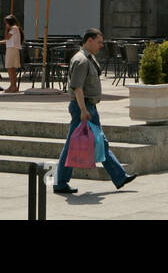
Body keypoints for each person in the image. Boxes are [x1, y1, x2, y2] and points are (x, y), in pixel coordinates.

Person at [53, 28, 137, 195]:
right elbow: (77, 87)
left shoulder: (88, 58)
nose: (101, 45)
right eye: (99, 42)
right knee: (75, 144)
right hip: (83, 107)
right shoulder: (81, 60)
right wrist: (83, 110)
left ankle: (119, 176)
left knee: (99, 142)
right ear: (89, 41)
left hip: (88, 106)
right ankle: (60, 182)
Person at [0, 14, 22, 93]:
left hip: (12, 49)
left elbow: (7, 37)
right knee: (11, 68)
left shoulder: (14, 28)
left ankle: (13, 86)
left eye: (6, 23)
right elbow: (8, 40)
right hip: (12, 48)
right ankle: (13, 86)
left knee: (10, 67)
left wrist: (6, 29)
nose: (5, 24)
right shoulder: (15, 28)